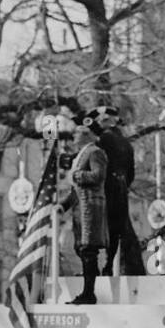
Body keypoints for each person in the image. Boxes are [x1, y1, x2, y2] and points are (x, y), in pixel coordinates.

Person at [60, 117, 109, 305]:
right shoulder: (80, 155)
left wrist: (77, 175)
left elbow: (98, 175)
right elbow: (75, 190)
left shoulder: (95, 152)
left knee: (89, 249)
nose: (73, 136)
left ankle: (89, 293)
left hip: (91, 207)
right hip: (80, 207)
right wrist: (63, 206)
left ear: (87, 135)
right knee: (81, 247)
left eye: (77, 133)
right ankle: (88, 287)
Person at [92, 106, 146, 277]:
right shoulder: (125, 142)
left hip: (107, 186)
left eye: (104, 120)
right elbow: (131, 172)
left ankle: (104, 265)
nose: (101, 123)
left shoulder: (104, 139)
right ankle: (111, 263)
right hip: (121, 186)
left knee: (104, 226)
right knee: (117, 227)